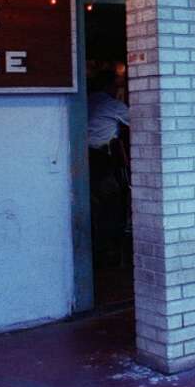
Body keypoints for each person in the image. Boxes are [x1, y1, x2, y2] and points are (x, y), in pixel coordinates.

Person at [87, 70, 130, 267]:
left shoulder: (86, 101)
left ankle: (97, 248)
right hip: (101, 158)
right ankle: (107, 251)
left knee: (93, 203)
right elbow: (143, 122)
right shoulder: (112, 105)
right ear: (109, 86)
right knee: (111, 202)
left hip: (82, 156)